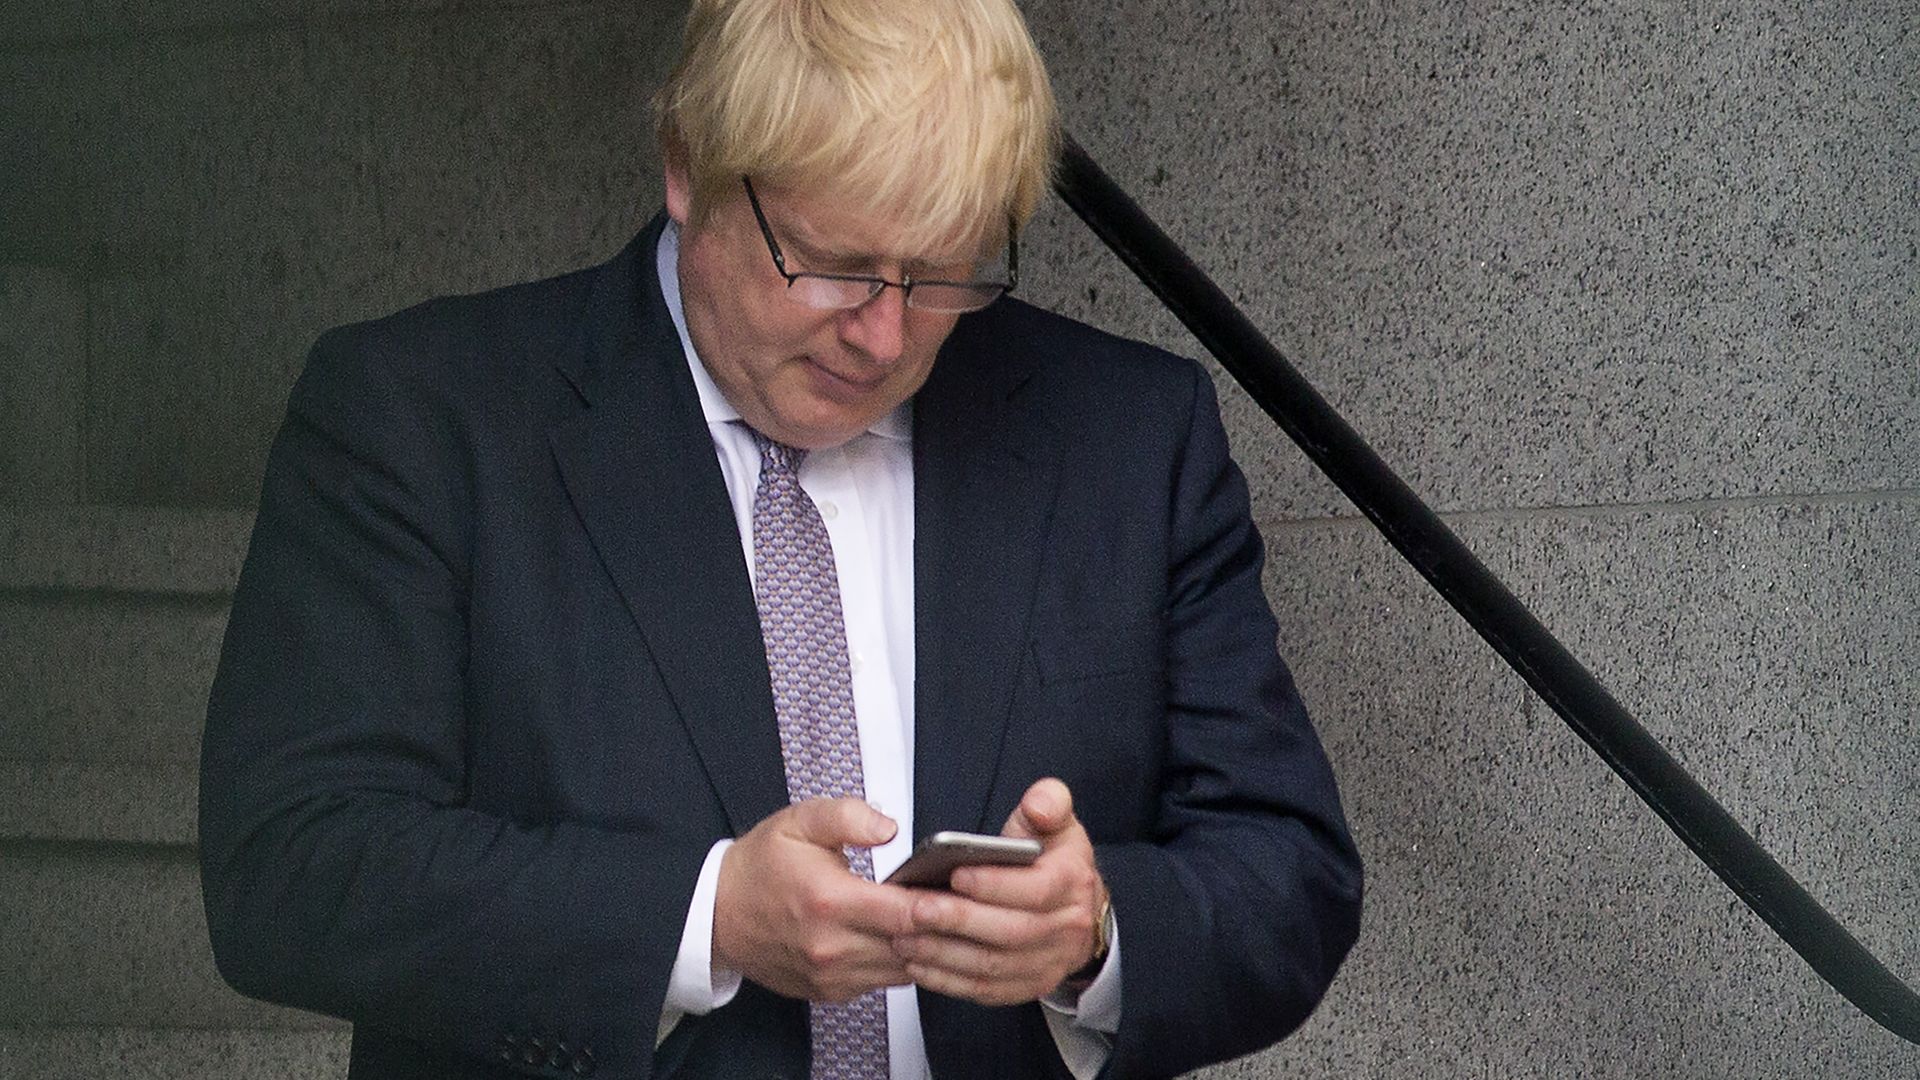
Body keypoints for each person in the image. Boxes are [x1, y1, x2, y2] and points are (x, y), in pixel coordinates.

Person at [198, 0, 1363, 1077]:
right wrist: (704, 920)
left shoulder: (1126, 435)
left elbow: (1288, 874)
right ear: (689, 168)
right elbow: (292, 868)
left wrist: (1097, 929)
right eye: (838, 264)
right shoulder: (425, 418)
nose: (886, 334)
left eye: (944, 271)